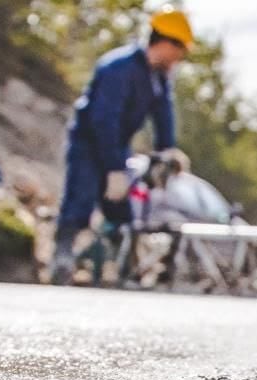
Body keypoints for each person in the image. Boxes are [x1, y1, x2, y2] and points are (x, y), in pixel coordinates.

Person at [51, 5, 193, 285]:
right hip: (89, 144)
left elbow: (163, 115)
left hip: (118, 147)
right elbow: (104, 121)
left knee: (121, 213)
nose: (180, 58)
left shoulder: (158, 77)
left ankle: (122, 268)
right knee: (80, 201)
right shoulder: (119, 68)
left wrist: (167, 152)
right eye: (180, 50)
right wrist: (114, 169)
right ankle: (62, 259)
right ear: (165, 42)